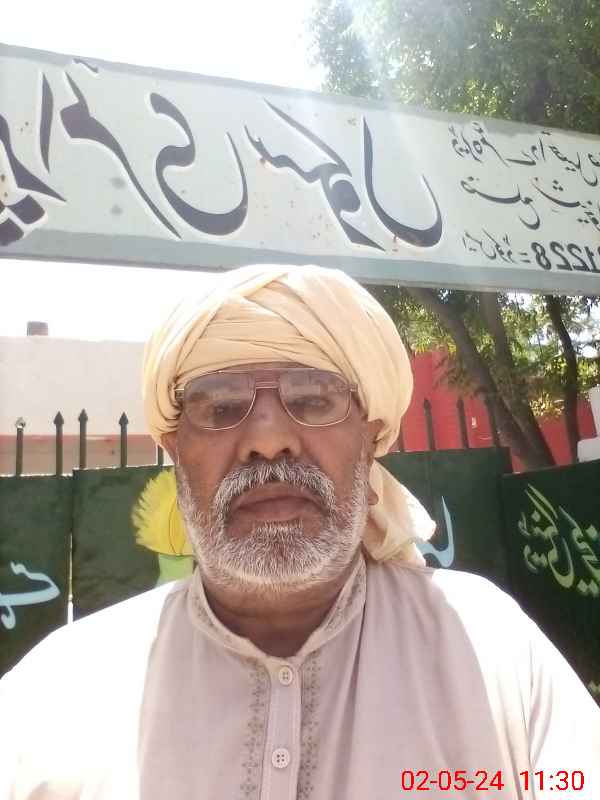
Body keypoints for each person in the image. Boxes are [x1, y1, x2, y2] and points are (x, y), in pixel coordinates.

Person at [1, 263, 598, 799]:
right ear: (176, 452)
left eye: (314, 400)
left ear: (370, 442)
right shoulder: (59, 691)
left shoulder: (489, 648)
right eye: (219, 408)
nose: (267, 440)